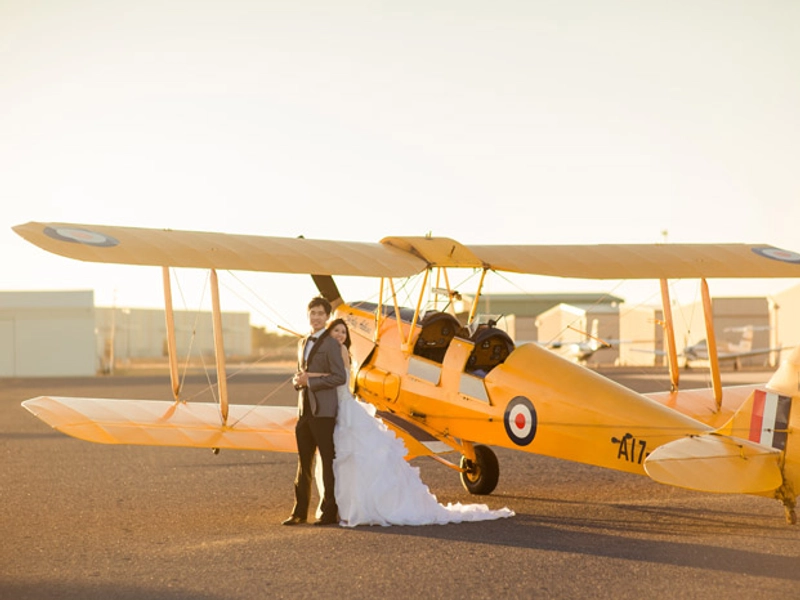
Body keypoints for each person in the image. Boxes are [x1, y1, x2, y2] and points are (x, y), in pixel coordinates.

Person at [315, 318, 514, 527]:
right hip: (342, 408)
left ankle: (352, 507)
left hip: (343, 408)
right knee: (352, 459)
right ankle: (347, 506)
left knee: (348, 458)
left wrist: (311, 377)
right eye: (336, 331)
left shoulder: (340, 352)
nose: (340, 335)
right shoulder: (340, 351)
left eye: (343, 332)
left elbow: (338, 378)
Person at [283, 297, 347, 526]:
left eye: (321, 313)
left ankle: (329, 512)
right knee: (303, 462)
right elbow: (300, 373)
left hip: (324, 411)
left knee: (328, 462)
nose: (316, 317)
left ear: (327, 317)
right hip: (304, 410)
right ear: (308, 315)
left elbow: (339, 377)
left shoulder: (331, 344)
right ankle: (299, 512)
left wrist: (311, 382)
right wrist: (297, 382)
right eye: (313, 313)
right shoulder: (302, 342)